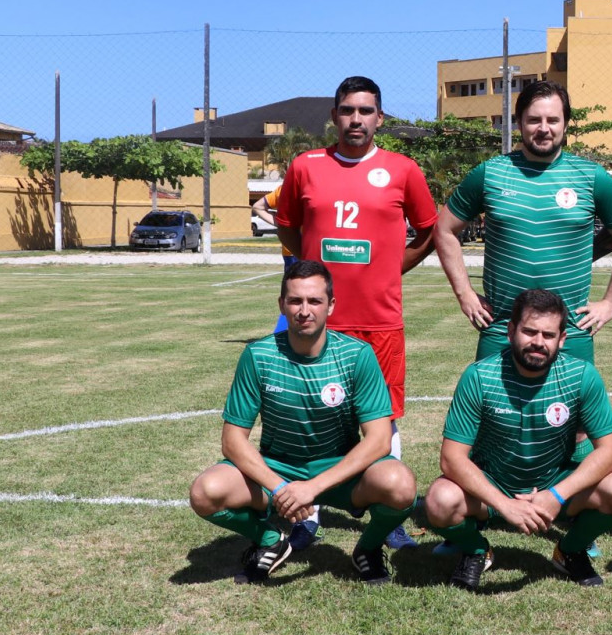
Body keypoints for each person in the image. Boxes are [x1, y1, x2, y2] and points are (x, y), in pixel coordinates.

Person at [275, 76, 438, 551]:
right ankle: (308, 513)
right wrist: (306, 274)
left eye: (366, 111)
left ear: (380, 118)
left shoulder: (403, 170)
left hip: (379, 320)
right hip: (320, 321)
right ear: (334, 115)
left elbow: (427, 231)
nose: (356, 120)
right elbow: (288, 227)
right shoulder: (306, 167)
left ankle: (390, 517)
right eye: (347, 110)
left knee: (384, 419)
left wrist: (391, 268)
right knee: (313, 415)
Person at [187, 260, 418, 585]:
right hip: (279, 469)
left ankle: (367, 549)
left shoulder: (357, 355)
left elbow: (379, 439)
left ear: (331, 306)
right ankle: (269, 540)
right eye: (295, 301)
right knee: (205, 492)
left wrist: (312, 489)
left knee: (401, 484)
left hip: (340, 474)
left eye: (314, 301)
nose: (304, 310)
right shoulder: (259, 356)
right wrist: (280, 487)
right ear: (282, 304)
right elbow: (233, 441)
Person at [421, 289, 612, 592]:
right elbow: (451, 458)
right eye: (529, 331)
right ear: (510, 331)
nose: (538, 342)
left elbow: (611, 452)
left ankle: (570, 550)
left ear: (562, 339)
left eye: (548, 335)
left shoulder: (582, 376)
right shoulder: (480, 376)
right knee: (440, 500)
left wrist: (556, 496)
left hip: (554, 482)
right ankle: (476, 550)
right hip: (493, 485)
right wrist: (505, 505)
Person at [432, 79, 612, 365]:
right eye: (533, 120)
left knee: (569, 411)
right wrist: (464, 293)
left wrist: (610, 303)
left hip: (570, 333)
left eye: (553, 120)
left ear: (565, 124)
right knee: (495, 410)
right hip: (502, 328)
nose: (543, 128)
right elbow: (444, 229)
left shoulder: (592, 177)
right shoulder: (489, 174)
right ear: (518, 123)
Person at [250, 185, 294, 335]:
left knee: (293, 294)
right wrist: (282, 224)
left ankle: (285, 334)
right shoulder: (288, 189)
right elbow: (258, 207)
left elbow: (258, 206)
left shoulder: (285, 188)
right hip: (308, 249)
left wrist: (283, 226)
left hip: (291, 248)